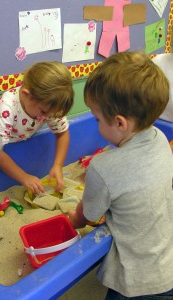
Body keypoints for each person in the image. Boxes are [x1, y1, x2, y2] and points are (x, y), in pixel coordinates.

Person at [68, 51, 173, 299]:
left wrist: (73, 220)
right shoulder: (160, 139)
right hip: (168, 266)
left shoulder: (102, 167)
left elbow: (89, 215)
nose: (95, 124)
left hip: (136, 281)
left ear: (120, 123)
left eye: (96, 119)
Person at [0, 61, 74, 194]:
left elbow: (62, 133)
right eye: (44, 112)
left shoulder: (49, 104)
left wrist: (57, 165)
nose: (48, 117)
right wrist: (24, 177)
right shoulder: (6, 107)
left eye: (52, 113)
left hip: (20, 142)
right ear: (26, 95)